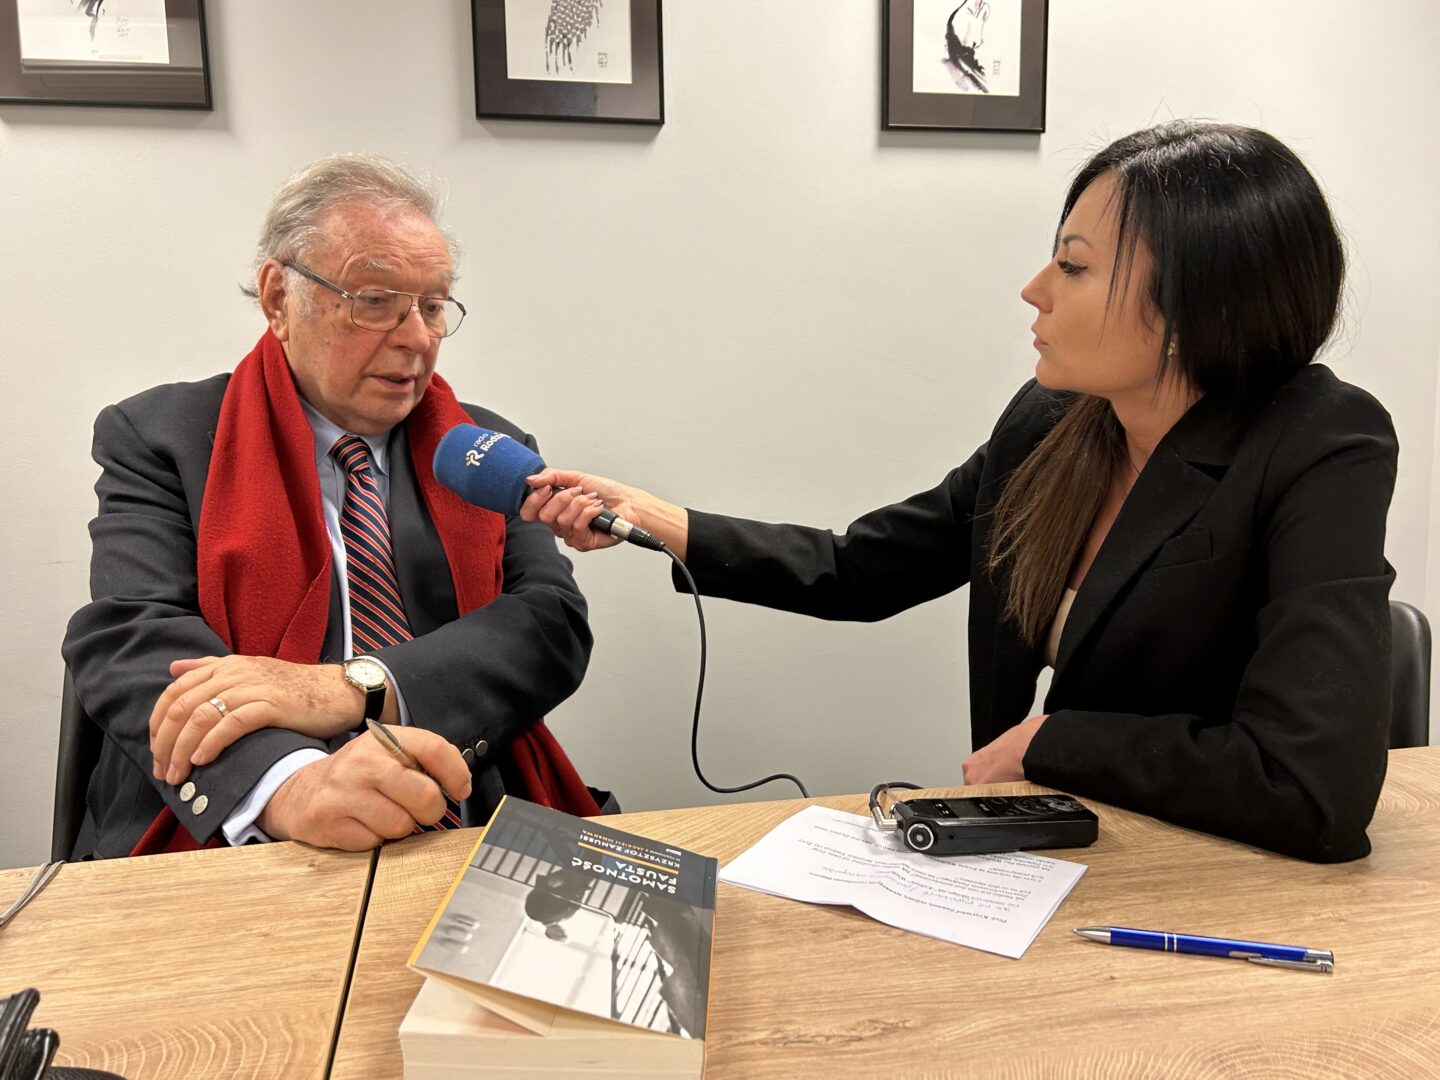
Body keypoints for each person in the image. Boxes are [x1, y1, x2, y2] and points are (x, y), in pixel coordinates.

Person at [521, 120, 1398, 863]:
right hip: (1079, 854)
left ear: (1199, 305)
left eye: (1074, 267)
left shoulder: (1323, 443)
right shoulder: (1051, 423)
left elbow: (1311, 788)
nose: (1035, 289)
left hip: (1225, 879)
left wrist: (1057, 742)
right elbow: (861, 569)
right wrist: (656, 519)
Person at [62, 154, 598, 860]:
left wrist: (352, 688)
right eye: (375, 300)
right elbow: (136, 637)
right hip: (237, 823)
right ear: (278, 299)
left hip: (460, 793)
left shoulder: (484, 449)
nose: (417, 337)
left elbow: (549, 625)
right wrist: (291, 786)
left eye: (433, 306)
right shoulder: (162, 437)